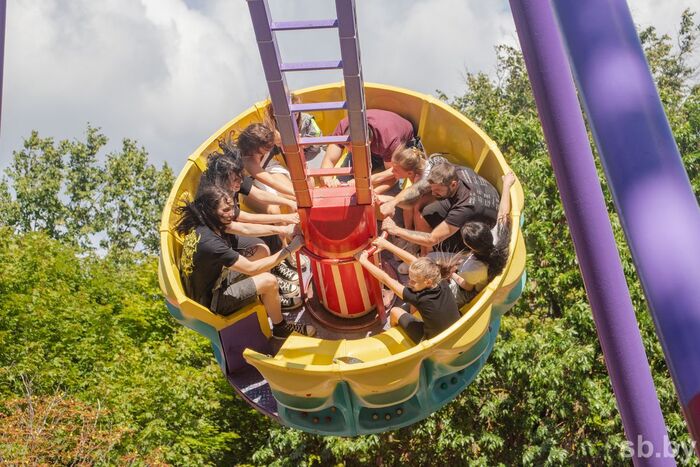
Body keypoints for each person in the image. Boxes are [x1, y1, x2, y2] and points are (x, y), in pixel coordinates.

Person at [176, 184, 315, 338]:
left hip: (216, 278)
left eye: (232, 208)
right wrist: (290, 249)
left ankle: (270, 300)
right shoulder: (211, 243)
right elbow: (251, 268)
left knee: (260, 251)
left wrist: (283, 230)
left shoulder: (206, 223)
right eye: (226, 210)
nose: (232, 213)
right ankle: (280, 328)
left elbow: (245, 229)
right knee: (269, 282)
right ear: (211, 212)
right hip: (213, 300)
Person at [200, 140, 308, 275]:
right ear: (223, 179)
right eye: (236, 180)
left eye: (241, 177)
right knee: (264, 245)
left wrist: (289, 203)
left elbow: (259, 195)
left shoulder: (231, 174)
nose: (240, 182)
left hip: (229, 231)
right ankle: (252, 274)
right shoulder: (214, 201)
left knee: (272, 237)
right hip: (219, 245)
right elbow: (242, 225)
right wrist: (285, 228)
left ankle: (275, 264)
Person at [355, 236, 461, 344]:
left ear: (428, 282)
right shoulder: (439, 278)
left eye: (414, 281)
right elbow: (413, 261)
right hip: (455, 330)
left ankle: (393, 336)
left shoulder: (419, 298)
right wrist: (386, 244)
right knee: (413, 299)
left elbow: (386, 279)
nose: (409, 283)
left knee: (395, 311)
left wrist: (363, 261)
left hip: (434, 341)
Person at [381, 160, 500, 254]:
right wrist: (393, 203)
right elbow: (418, 189)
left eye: (437, 190)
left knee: (433, 237)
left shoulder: (465, 208)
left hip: (477, 232)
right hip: (476, 198)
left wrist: (396, 230)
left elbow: (432, 239)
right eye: (433, 188)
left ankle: (427, 256)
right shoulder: (452, 172)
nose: (433, 193)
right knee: (422, 202)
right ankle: (419, 246)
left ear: (453, 184)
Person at [445, 172, 516, 308]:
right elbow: (503, 214)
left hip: (470, 290)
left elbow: (468, 287)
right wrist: (506, 185)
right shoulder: (499, 238)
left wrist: (452, 274)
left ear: (471, 247)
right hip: (482, 274)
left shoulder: (472, 267)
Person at [319, 109, 417, 193]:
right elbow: (329, 160)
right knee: (342, 185)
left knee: (385, 190)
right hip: (376, 146)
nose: (350, 150)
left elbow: (393, 172)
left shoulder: (389, 140)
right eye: (347, 145)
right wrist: (327, 180)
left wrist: (368, 186)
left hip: (394, 149)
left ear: (369, 143)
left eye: (355, 148)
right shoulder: (343, 127)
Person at [237, 123, 296, 204]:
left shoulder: (269, 138)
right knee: (274, 206)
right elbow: (271, 182)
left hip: (269, 167)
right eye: (267, 148)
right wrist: (295, 194)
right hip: (251, 182)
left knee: (291, 192)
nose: (270, 148)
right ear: (254, 149)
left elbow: (280, 137)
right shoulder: (248, 160)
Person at [263, 94, 325, 168]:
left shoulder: (307, 119)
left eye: (294, 115)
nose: (289, 119)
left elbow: (317, 133)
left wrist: (306, 141)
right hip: (288, 157)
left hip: (310, 153)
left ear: (298, 111)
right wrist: (275, 139)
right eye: (283, 117)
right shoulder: (272, 124)